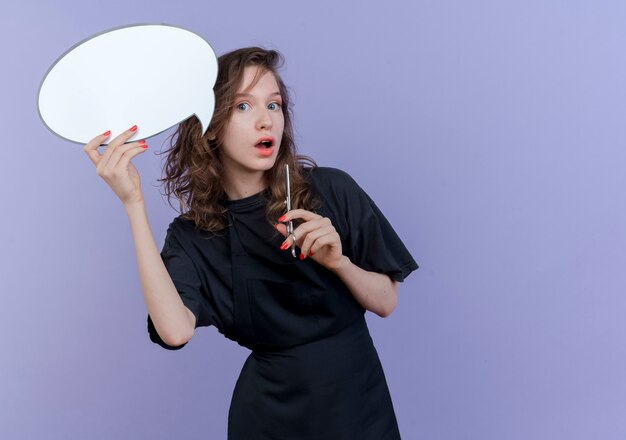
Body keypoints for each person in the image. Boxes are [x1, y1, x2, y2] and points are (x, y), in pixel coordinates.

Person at [83, 47, 418, 439]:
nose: (266, 121)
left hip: (362, 409)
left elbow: (386, 302)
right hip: (268, 420)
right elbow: (175, 332)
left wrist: (339, 263)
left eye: (274, 106)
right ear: (210, 127)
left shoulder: (331, 190)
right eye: (243, 107)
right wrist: (133, 204)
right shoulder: (194, 237)